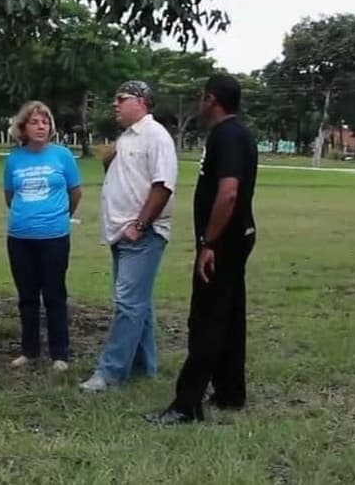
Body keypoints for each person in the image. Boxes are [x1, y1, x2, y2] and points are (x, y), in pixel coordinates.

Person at [147, 74, 258, 425]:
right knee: (230, 314)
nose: (199, 102)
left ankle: (186, 405)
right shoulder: (239, 134)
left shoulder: (226, 136)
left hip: (223, 241)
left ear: (212, 99)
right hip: (239, 234)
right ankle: (230, 392)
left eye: (201, 97)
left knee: (206, 319)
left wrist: (208, 243)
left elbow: (228, 192)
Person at [80, 80, 178, 392]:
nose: (115, 105)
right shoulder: (127, 137)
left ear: (141, 101)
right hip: (121, 233)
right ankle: (144, 365)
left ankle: (109, 373)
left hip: (141, 234)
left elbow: (163, 185)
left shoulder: (155, 135)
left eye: (120, 99)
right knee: (139, 304)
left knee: (128, 304)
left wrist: (140, 225)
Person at [3, 101, 82, 372]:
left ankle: (60, 353)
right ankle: (30, 350)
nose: (41, 126)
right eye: (35, 122)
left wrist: (59, 215)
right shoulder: (14, 158)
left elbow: (75, 192)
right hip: (20, 238)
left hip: (54, 237)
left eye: (45, 122)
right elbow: (9, 195)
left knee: (54, 294)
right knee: (27, 296)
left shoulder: (63, 156)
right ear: (23, 127)